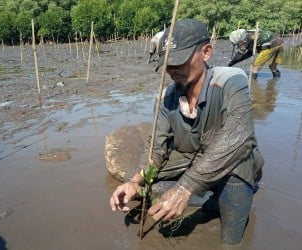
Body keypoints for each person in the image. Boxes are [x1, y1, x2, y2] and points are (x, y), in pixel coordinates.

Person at [109, 19, 264, 245]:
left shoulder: (232, 80)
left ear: (206, 52)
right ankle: (209, 203)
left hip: (231, 166)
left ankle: (231, 226)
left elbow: (239, 139)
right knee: (141, 181)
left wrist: (185, 188)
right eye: (167, 64)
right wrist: (134, 182)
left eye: (178, 61)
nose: (172, 70)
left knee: (240, 160)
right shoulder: (166, 97)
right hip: (191, 161)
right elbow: (157, 148)